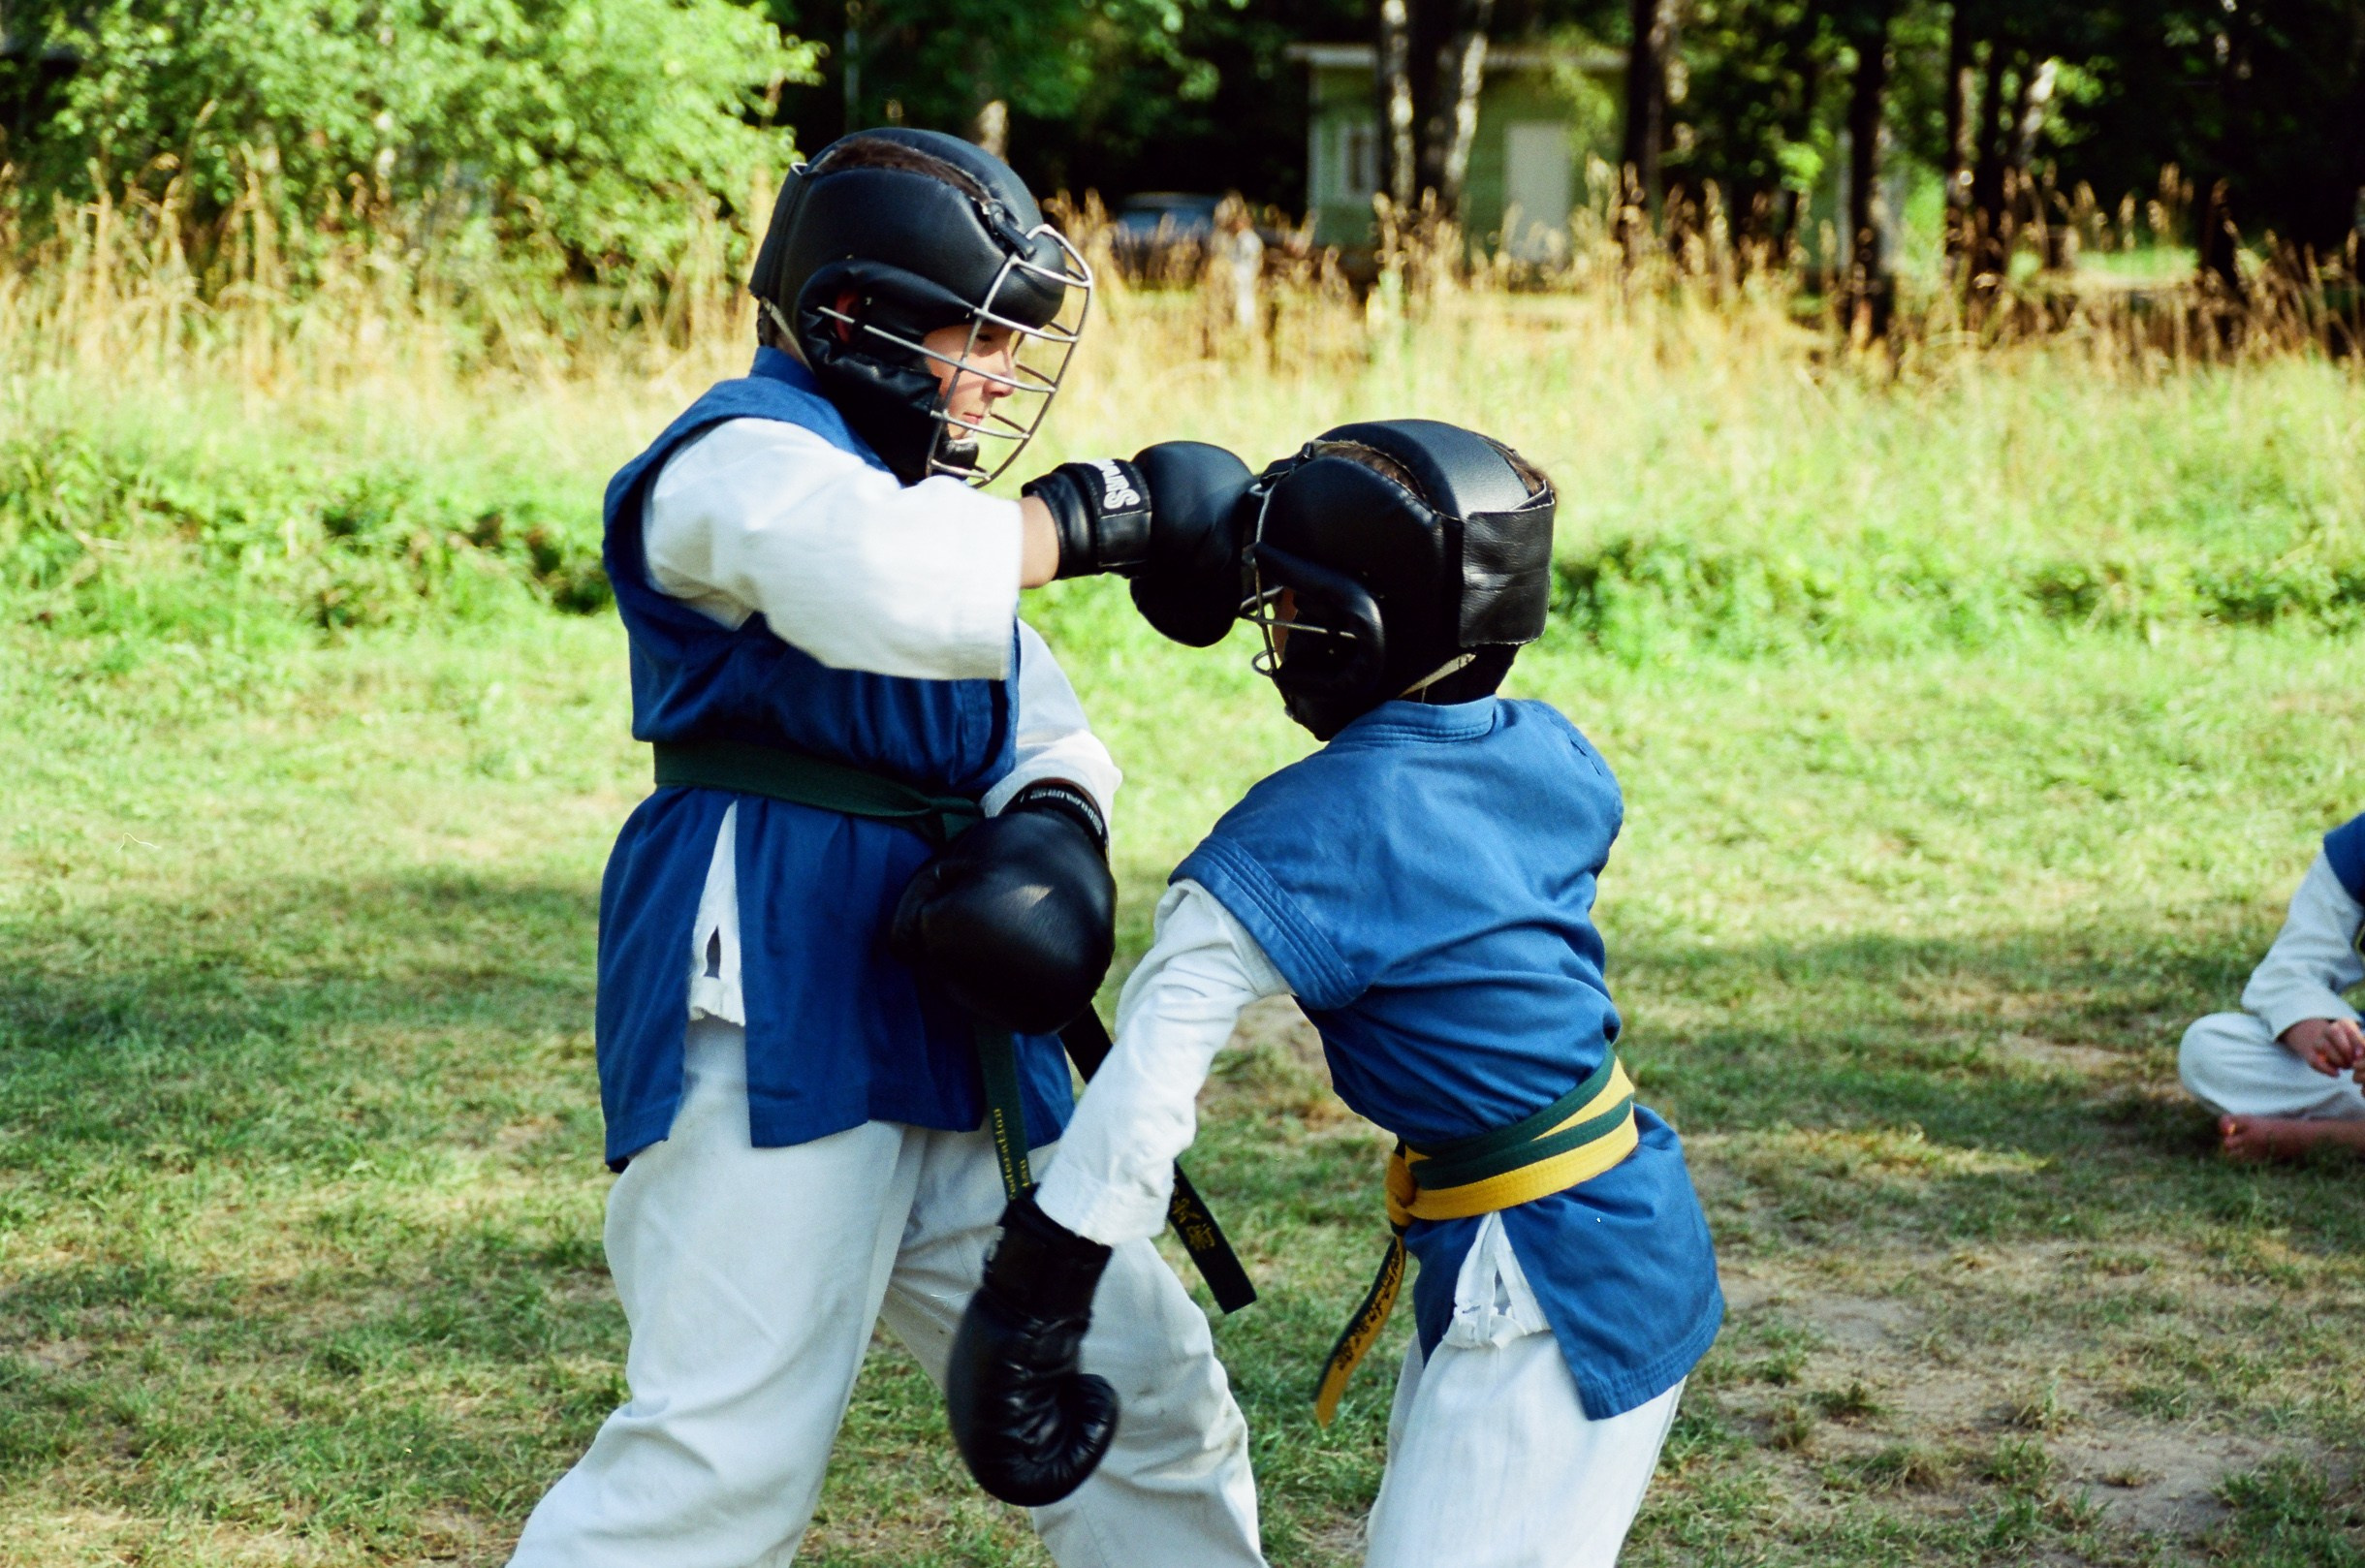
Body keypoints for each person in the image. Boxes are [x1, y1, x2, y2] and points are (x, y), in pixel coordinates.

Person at [505, 127, 1268, 1568]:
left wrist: (1054, 835)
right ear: (853, 314)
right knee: (720, 1461)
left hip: (955, 1011)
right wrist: (1092, 517)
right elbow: (891, 584)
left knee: (1142, 1391)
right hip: (777, 993)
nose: (1000, 375)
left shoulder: (914, 496)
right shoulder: (734, 460)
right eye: (977, 337)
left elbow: (1037, 718)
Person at [940, 421, 1725, 1566]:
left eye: (1289, 603)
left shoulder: (1287, 844)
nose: (1274, 624)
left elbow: (1144, 1095)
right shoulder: (1553, 754)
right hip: (1619, 1219)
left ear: (1350, 632)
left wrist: (1032, 1296)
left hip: (1542, 1283)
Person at [2179, 812, 2365, 1160]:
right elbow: (2291, 970)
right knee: (2208, 1047)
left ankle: (2324, 1138)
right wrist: (2323, 1040)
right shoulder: (2359, 843)